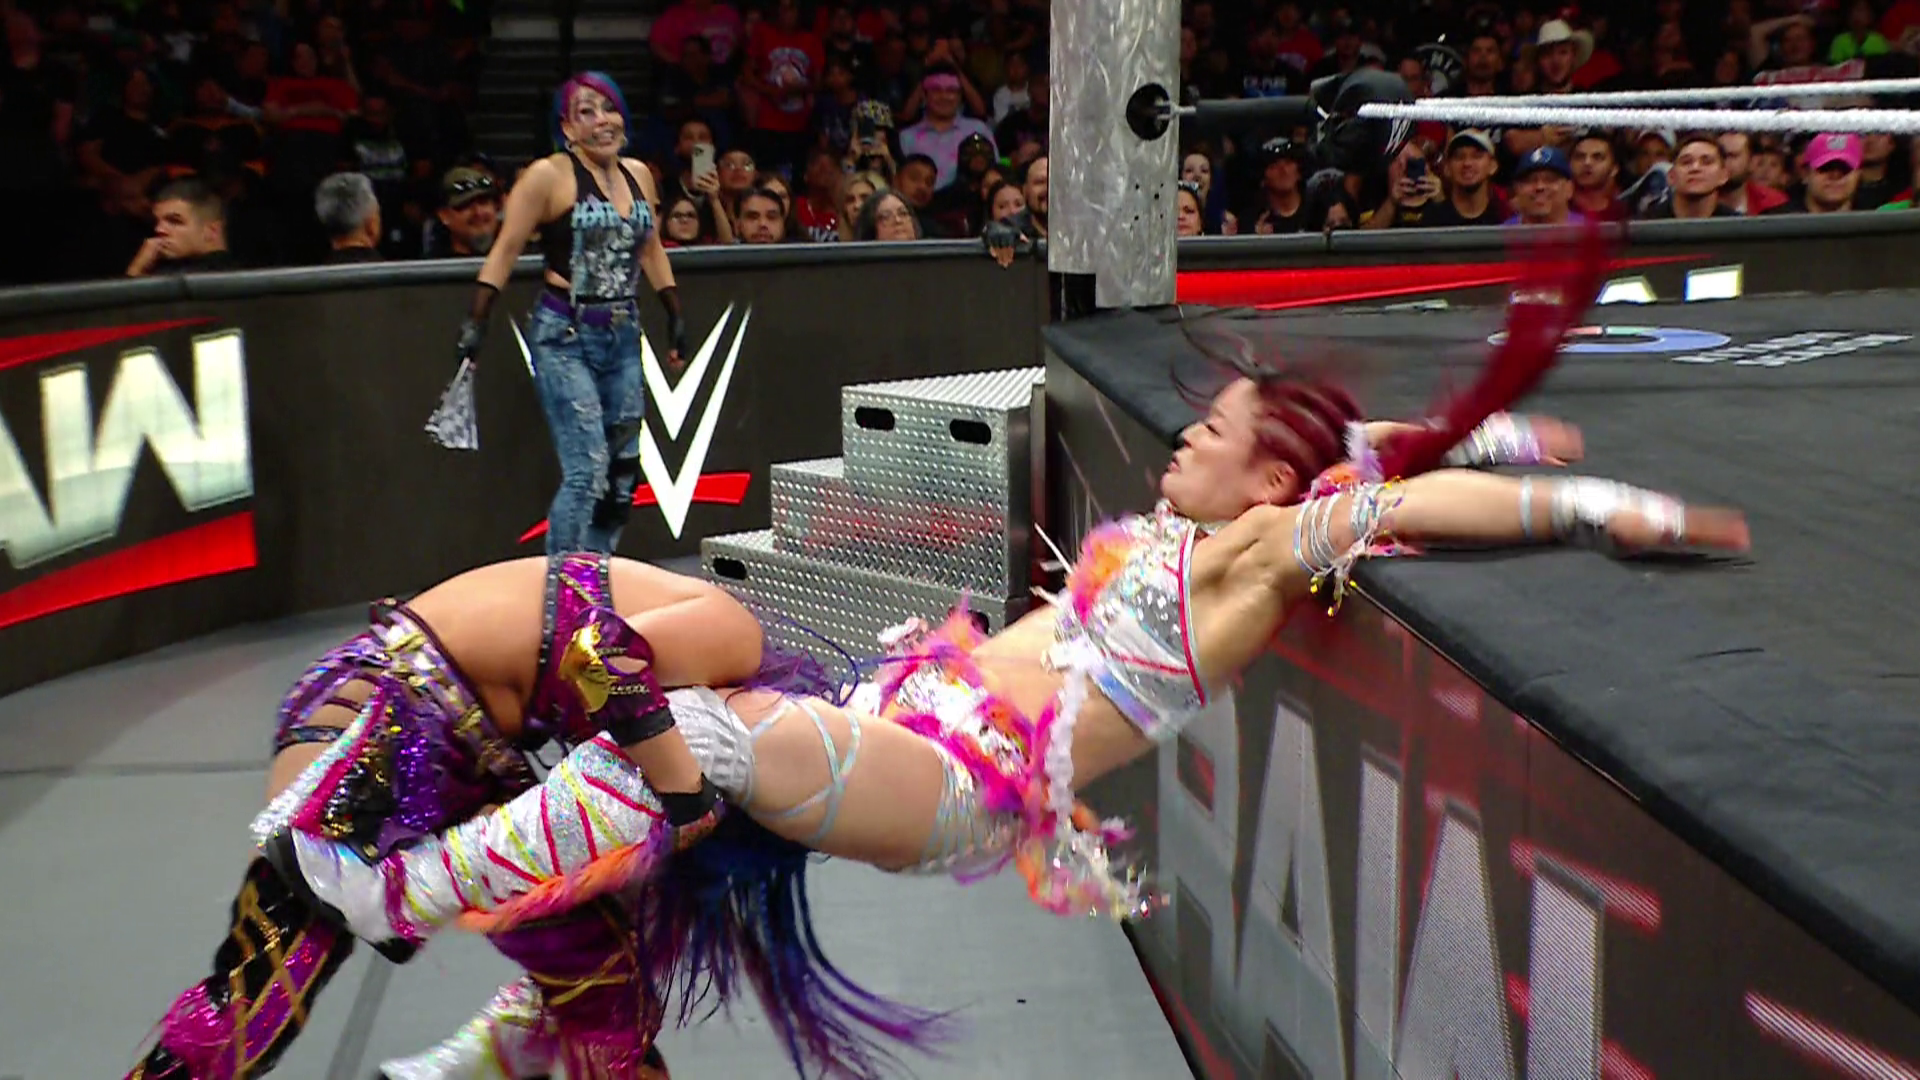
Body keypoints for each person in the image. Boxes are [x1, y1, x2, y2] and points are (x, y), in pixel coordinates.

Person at [298, 232, 1751, 1078]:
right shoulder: (1200, 527)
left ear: (1264, 486)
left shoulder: (1248, 556)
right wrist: (1496, 428)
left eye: (1212, 434)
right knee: (672, 790)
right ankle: (522, 1034)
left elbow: (1392, 502)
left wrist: (1604, 507)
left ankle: (396, 894)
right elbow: (1366, 453)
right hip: (894, 719)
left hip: (949, 781)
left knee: (700, 738)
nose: (1183, 436)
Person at [125, 554, 759, 1079]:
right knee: (263, 988)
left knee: (603, 985)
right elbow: (600, 650)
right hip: (391, 703)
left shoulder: (725, 693)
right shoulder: (742, 637)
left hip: (463, 747)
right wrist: (687, 795)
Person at [448, 71, 691, 558]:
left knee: (622, 469)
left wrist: (674, 312)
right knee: (588, 468)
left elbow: (650, 249)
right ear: (567, 128)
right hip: (565, 333)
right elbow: (506, 248)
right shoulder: (548, 176)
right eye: (587, 111)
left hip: (623, 330)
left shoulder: (639, 174)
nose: (602, 120)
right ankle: (564, 586)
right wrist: (477, 319)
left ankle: (594, 571)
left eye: (610, 108)